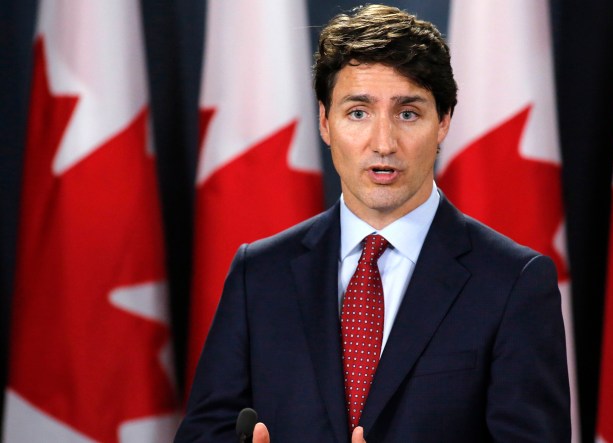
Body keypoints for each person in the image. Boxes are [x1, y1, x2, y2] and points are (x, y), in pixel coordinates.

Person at [175, 4, 570, 442]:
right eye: (358, 112)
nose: (383, 143)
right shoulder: (259, 273)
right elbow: (203, 434)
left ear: (443, 123)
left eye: (407, 113)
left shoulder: (514, 282)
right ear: (325, 122)